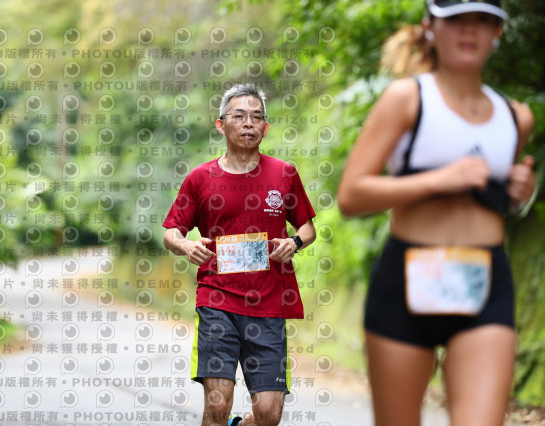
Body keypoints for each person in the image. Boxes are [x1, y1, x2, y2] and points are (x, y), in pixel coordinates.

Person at [337, 1, 535, 425]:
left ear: (498, 32)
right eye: (456, 20)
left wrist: (518, 193)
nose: (470, 31)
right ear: (430, 27)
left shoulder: (516, 116)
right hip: (407, 279)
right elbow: (352, 195)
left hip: (485, 284)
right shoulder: (407, 98)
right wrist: (440, 180)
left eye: (483, 20)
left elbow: (495, 200)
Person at [163, 83, 316, 426]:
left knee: (269, 415)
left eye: (256, 117)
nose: (249, 123)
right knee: (217, 406)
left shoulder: (284, 173)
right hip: (217, 301)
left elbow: (308, 228)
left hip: (269, 304)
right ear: (221, 125)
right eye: (240, 116)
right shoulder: (200, 178)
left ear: (265, 127)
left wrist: (295, 243)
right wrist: (186, 245)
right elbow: (171, 232)